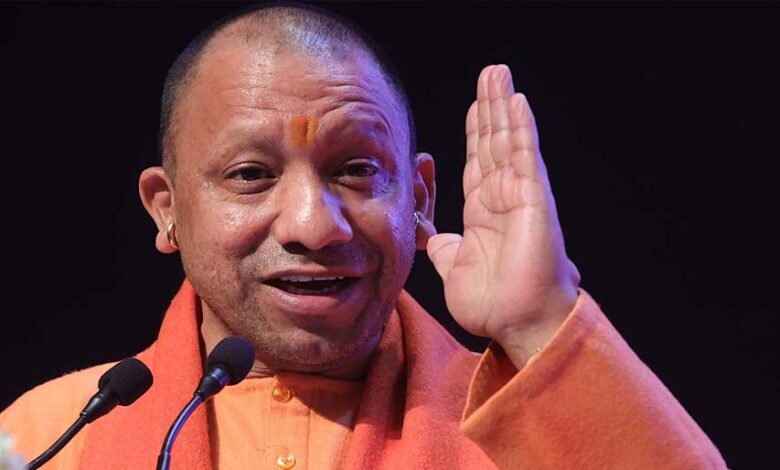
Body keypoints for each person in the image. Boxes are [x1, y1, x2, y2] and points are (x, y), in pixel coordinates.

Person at [0, 4, 726, 469]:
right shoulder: (50, 439)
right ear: (167, 211)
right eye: (251, 174)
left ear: (420, 199)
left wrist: (540, 323)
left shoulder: (525, 437)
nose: (314, 226)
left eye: (356, 170)